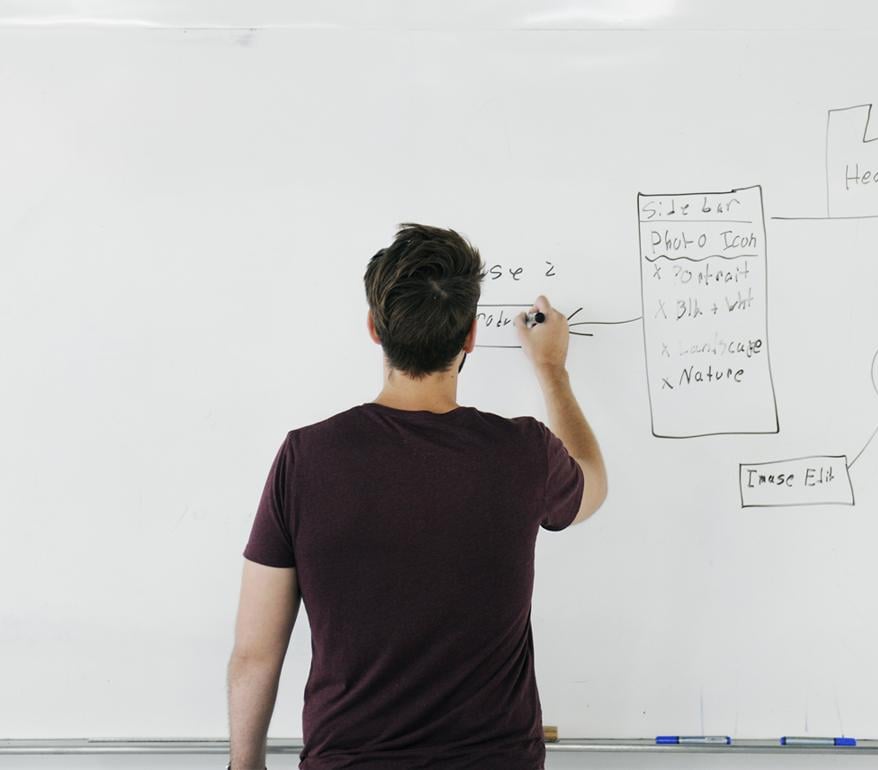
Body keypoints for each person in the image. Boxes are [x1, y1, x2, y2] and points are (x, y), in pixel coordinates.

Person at [227, 223, 608, 769]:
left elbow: (255, 653)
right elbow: (593, 484)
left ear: (373, 328)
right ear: (470, 335)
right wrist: (551, 370)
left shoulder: (305, 459)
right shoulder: (523, 452)